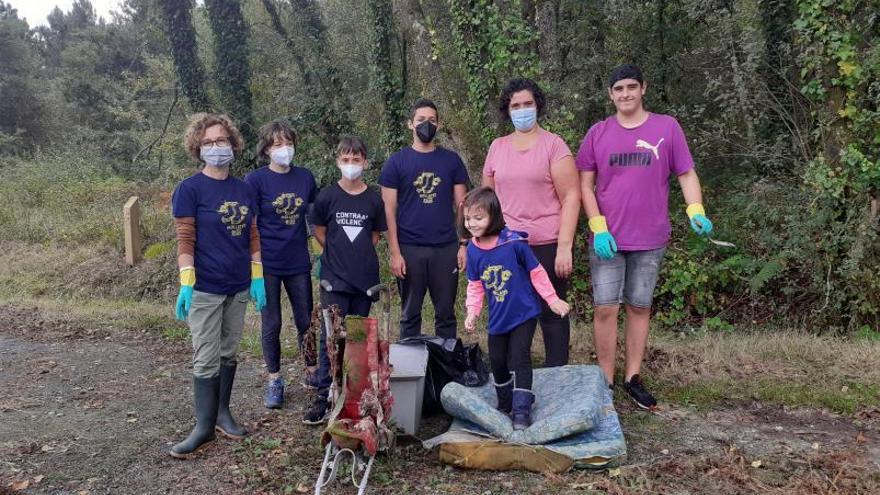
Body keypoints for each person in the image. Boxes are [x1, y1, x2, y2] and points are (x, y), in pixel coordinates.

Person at [576, 64, 713, 410]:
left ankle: (632, 377)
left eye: (631, 87)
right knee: (605, 308)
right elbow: (584, 184)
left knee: (639, 306)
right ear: (610, 94)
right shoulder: (598, 132)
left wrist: (695, 208)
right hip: (607, 239)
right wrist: (597, 225)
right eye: (618, 88)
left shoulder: (667, 128)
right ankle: (604, 379)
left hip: (650, 238)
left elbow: (686, 172)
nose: (625, 94)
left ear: (643, 89)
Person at [170, 113, 267, 458]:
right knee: (206, 356)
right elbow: (185, 239)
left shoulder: (243, 189)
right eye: (209, 142)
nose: (217, 147)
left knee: (228, 353)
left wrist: (257, 278)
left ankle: (223, 415)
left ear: (233, 144)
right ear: (198, 147)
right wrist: (186, 283)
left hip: (238, 286)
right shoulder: (189, 189)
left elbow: (252, 234)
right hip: (206, 288)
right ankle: (203, 426)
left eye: (222, 140)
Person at [483, 78, 581, 367]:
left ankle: (558, 375)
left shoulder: (554, 145)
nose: (522, 110)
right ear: (507, 110)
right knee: (510, 315)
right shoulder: (497, 147)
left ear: (538, 106)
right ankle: (516, 379)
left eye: (528, 104)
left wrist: (565, 247)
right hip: (508, 247)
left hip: (547, 245)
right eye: (516, 105)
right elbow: (487, 202)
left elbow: (572, 197)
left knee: (552, 314)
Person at [461, 187, 570, 429]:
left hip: (524, 313)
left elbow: (537, 272)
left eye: (478, 218)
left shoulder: (515, 244)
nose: (472, 223)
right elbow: (475, 285)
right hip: (498, 318)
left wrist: (552, 300)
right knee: (498, 361)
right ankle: (506, 402)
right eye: (468, 218)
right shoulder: (473, 249)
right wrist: (472, 312)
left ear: (494, 216)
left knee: (520, 357)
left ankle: (521, 410)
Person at [303, 136, 387, 424]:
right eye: (346, 160)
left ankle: (353, 396)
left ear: (365, 162)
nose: (351, 165)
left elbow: (374, 236)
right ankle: (323, 395)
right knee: (331, 340)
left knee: (358, 339)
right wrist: (337, 252)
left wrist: (355, 254)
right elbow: (319, 230)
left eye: (356, 160)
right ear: (338, 161)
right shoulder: (327, 196)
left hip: (363, 281)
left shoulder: (374, 199)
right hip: (333, 280)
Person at [379, 98, 469, 340]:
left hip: (446, 249)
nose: (426, 124)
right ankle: (411, 372)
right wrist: (395, 253)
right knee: (409, 315)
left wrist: (463, 245)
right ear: (411, 124)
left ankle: (446, 371)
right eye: (421, 120)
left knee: (446, 315)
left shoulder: (452, 161)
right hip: (409, 249)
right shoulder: (396, 162)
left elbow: (463, 206)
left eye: (431, 120)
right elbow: (388, 210)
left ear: (438, 125)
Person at [245, 120, 318, 409]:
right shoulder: (255, 181)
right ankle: (274, 379)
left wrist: (320, 253)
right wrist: (253, 268)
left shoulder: (305, 177)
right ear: (266, 149)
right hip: (268, 264)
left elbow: (312, 218)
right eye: (277, 144)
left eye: (288, 143)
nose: (284, 149)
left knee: (305, 321)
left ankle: (312, 371)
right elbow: (250, 226)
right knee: (271, 323)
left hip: (298, 261)